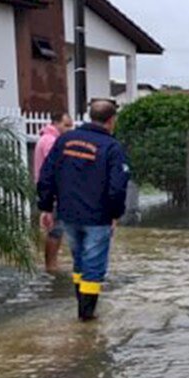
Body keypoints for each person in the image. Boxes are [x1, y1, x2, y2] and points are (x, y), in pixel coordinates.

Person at [38, 100, 129, 321]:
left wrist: (46, 206)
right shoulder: (111, 147)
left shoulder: (65, 140)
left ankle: (81, 309)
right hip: (97, 217)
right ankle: (86, 318)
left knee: (79, 260)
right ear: (111, 120)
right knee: (93, 265)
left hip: (68, 213)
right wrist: (115, 214)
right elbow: (117, 187)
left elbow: (47, 174)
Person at [32, 112, 74, 273]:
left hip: (50, 189)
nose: (69, 129)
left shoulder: (46, 139)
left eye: (71, 125)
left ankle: (52, 263)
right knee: (55, 229)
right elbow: (57, 167)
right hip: (53, 190)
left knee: (56, 229)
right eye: (66, 125)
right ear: (56, 123)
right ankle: (51, 266)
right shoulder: (51, 141)